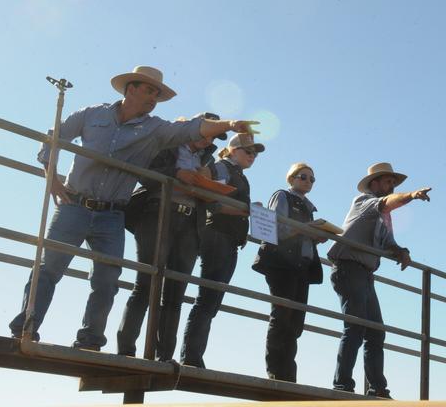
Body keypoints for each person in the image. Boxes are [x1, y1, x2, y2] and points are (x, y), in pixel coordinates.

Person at [9, 66, 258, 351]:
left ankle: (89, 341)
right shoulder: (92, 114)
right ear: (130, 89)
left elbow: (190, 128)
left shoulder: (155, 129)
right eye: (149, 90)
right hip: (74, 203)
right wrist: (51, 177)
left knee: (107, 280)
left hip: (112, 213)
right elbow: (55, 135)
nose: (153, 98)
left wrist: (229, 125)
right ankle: (25, 328)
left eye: (157, 94)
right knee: (49, 267)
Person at [116, 112, 226, 360]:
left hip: (190, 224)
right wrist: (177, 174)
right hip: (157, 215)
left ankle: (164, 355)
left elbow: (215, 204)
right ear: (196, 128)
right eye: (208, 134)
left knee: (175, 292)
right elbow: (144, 172)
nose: (209, 141)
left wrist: (210, 189)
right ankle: (126, 350)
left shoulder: (208, 162)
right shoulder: (166, 142)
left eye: (214, 138)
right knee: (146, 284)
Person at [326, 162, 431, 398]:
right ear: (374, 184)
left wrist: (401, 250)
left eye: (393, 183)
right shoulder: (363, 202)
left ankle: (377, 389)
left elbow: (388, 243)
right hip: (348, 268)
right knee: (356, 325)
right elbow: (386, 203)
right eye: (388, 182)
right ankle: (342, 384)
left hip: (364, 274)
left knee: (375, 331)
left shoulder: (384, 218)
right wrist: (411, 196)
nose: (391, 187)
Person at [180, 133, 264, 367]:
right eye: (248, 151)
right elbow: (211, 202)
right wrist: (246, 210)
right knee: (208, 298)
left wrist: (247, 210)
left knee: (212, 300)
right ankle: (191, 356)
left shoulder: (238, 175)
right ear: (232, 150)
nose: (252, 156)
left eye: (254, 153)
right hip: (218, 235)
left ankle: (193, 355)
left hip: (229, 238)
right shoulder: (222, 168)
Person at [252, 163, 326, 382]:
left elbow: (299, 236)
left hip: (301, 266)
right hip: (282, 264)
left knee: (295, 322)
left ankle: (288, 374)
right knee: (281, 316)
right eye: (303, 177)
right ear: (292, 178)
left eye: (312, 179)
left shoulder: (309, 207)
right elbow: (276, 229)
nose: (308, 181)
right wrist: (308, 230)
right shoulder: (282, 196)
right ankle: (275, 371)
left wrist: (315, 236)